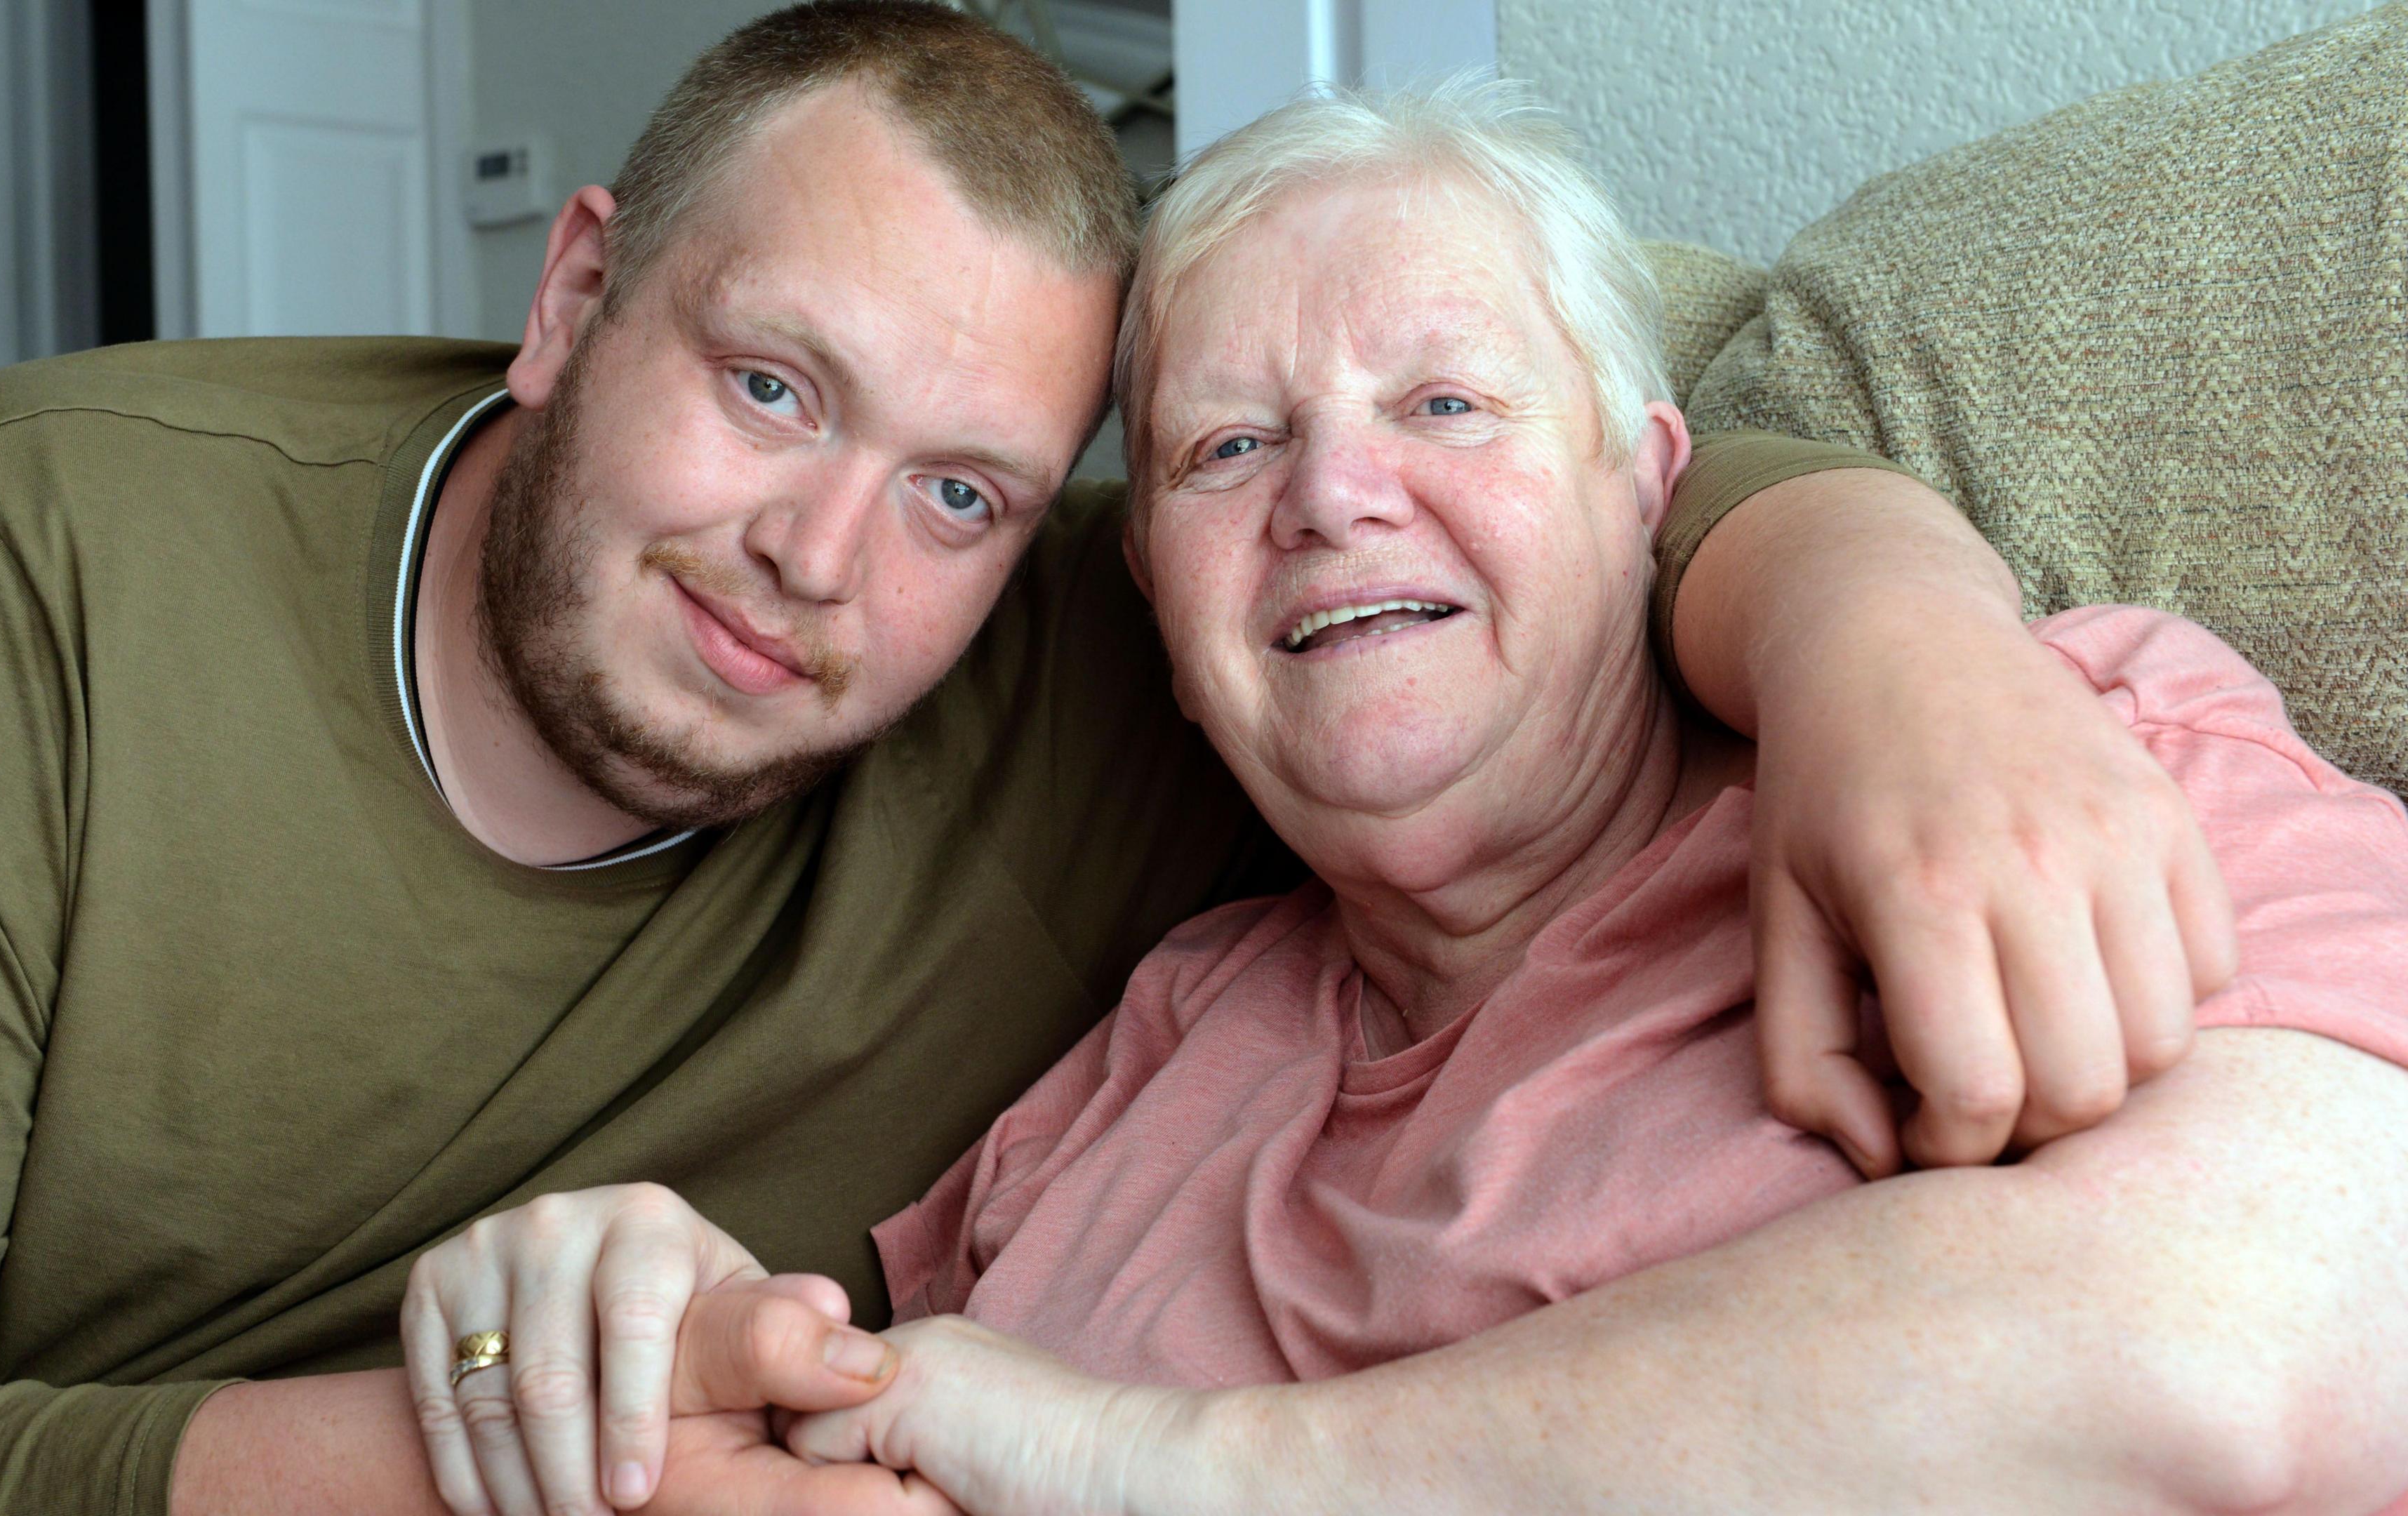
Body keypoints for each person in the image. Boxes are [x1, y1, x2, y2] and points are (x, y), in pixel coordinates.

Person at [0, 7, 2233, 1516]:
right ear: (577, 291)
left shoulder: (1127, 659)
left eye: (959, 490)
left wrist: (1901, 634)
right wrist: (490, 1447)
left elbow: (1501, 535)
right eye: (771, 384)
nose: (821, 558)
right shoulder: (24, 552)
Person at [415, 77, 2408, 1516]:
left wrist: (1188, 1472)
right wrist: (624, 1314)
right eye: (1227, 446)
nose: (1334, 493)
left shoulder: (2042, 748)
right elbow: (858, 1423)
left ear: (1648, 483)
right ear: (1156, 607)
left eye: (1446, 403)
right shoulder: (1145, 1057)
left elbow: (2274, 1338)